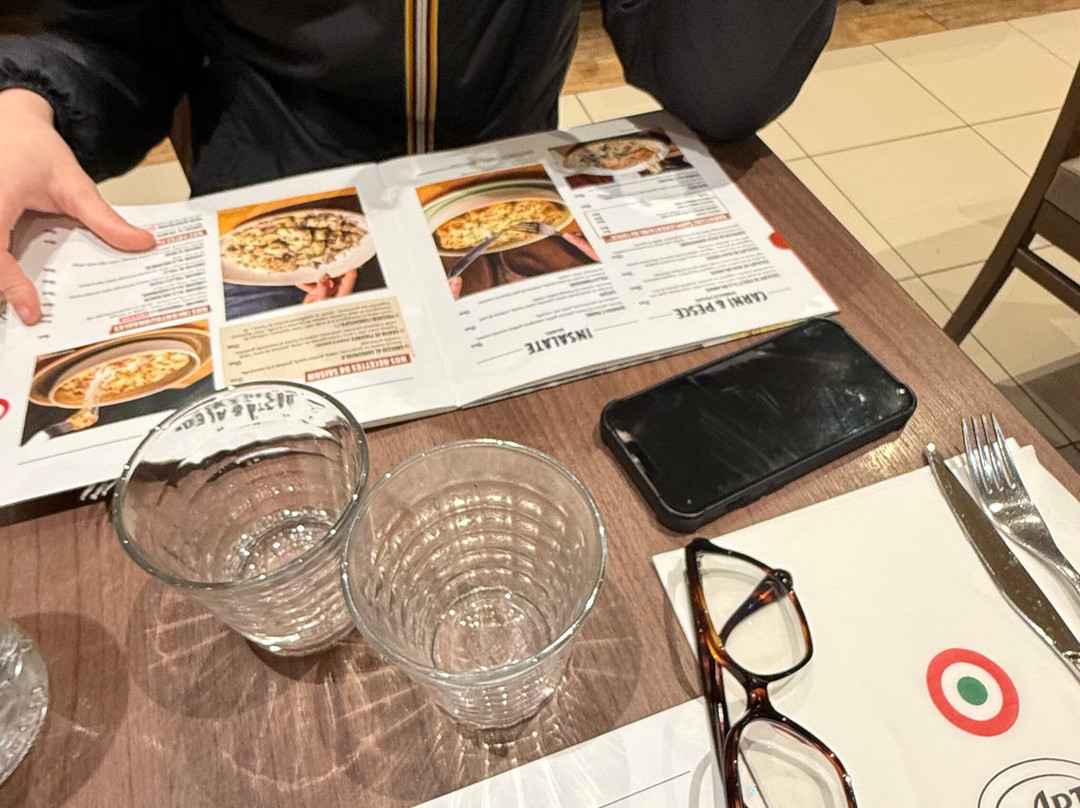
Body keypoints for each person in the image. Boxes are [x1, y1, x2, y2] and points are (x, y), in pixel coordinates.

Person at [0, 0, 837, 326]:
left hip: (512, 210)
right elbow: (118, 37)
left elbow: (717, 85)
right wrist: (23, 98)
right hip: (278, 224)